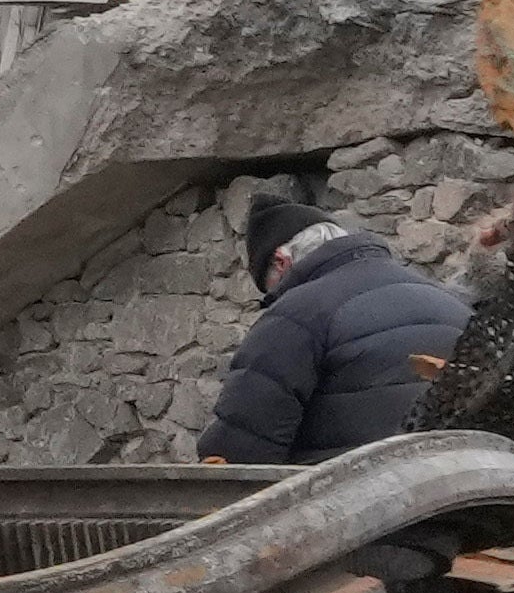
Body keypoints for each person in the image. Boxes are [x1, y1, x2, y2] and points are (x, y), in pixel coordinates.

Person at [200, 188, 470, 464]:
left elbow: (240, 447)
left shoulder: (298, 313)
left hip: (350, 495)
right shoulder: (450, 302)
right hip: (458, 489)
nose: (273, 298)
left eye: (268, 288)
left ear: (282, 263)